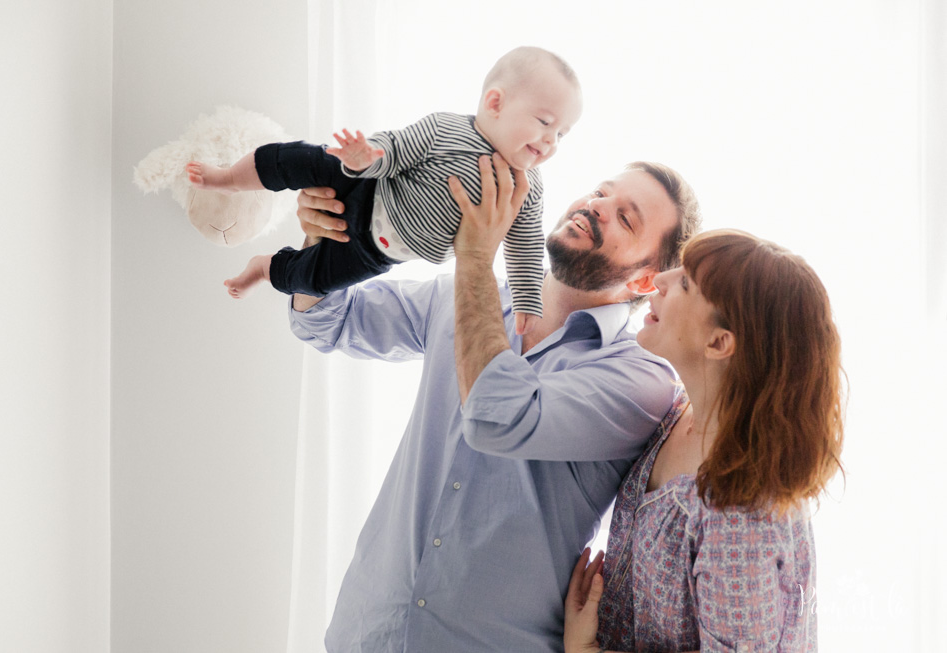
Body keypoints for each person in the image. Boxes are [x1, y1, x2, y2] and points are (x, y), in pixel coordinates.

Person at [289, 153, 701, 652]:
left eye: (625, 217)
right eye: (601, 192)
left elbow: (499, 417)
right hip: (366, 632)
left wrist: (475, 258)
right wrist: (324, 235)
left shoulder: (643, 379)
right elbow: (325, 318)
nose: (598, 207)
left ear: (643, 281)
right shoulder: (461, 296)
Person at [563, 230, 846, 653]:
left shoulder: (742, 512)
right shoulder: (676, 414)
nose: (660, 280)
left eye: (684, 284)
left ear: (719, 342)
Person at [187, 46, 583, 334]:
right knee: (298, 158)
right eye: (545, 122)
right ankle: (229, 178)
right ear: (495, 102)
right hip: (369, 186)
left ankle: (265, 268)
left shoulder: (526, 189)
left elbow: (526, 245)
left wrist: (529, 300)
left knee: (315, 280)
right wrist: (364, 158)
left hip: (376, 252)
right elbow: (395, 147)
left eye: (562, 134)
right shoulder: (448, 129)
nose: (551, 141)